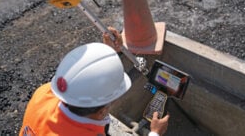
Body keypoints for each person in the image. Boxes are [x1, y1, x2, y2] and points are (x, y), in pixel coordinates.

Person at [19, 28, 169, 136]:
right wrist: (155, 133)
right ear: (103, 112)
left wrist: (108, 54)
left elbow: (84, 78)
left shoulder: (44, 93)